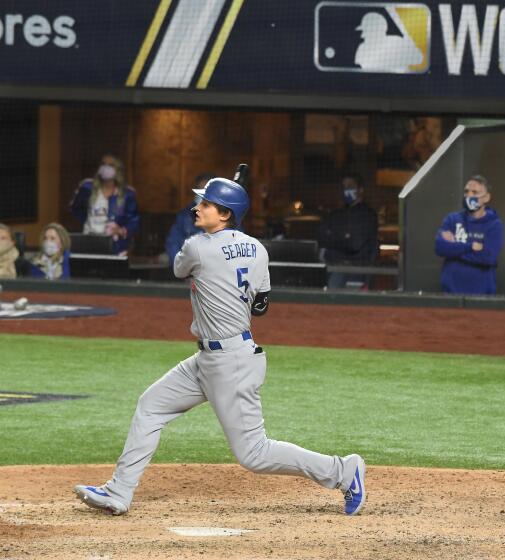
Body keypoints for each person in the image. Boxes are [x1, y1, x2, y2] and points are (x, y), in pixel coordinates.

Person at [74, 176, 367, 517]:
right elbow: (261, 305)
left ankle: (343, 471)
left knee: (254, 453)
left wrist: (211, 254)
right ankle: (119, 492)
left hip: (230, 363)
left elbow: (178, 268)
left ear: (225, 213)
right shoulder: (258, 249)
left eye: (206, 204)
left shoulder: (198, 246)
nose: (196, 208)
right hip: (211, 358)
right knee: (151, 405)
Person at [434, 175, 503, 295]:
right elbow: (440, 248)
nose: (469, 195)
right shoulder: (452, 220)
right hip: (451, 293)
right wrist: (470, 247)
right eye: (466, 191)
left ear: (486, 198)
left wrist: (454, 248)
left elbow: (488, 257)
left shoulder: (494, 224)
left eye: (475, 192)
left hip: (482, 296)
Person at [70, 154, 139, 256]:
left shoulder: (127, 194)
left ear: (118, 170)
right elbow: (76, 209)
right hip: (89, 242)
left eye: (110, 165)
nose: (106, 167)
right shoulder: (87, 187)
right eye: (103, 164)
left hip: (115, 247)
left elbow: (134, 221)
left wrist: (120, 230)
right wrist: (87, 222)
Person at [319, 174, 379, 289]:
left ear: (360, 190)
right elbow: (322, 236)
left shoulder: (367, 215)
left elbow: (355, 244)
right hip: (333, 266)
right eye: (344, 186)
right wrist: (344, 238)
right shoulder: (336, 214)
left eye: (350, 186)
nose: (346, 189)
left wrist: (335, 238)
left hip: (357, 269)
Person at [165, 172, 216, 266]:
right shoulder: (185, 216)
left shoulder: (226, 217)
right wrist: (183, 269)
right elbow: (173, 244)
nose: (203, 196)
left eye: (207, 191)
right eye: (200, 191)